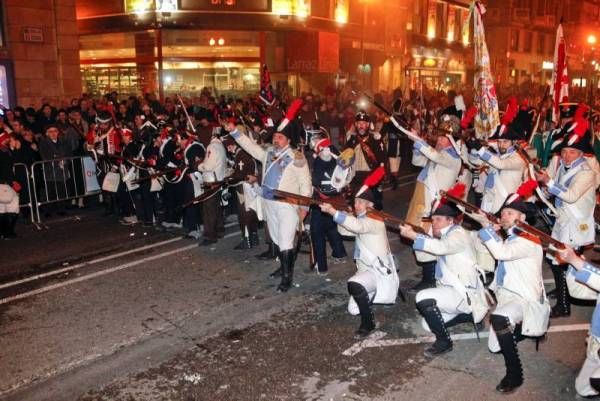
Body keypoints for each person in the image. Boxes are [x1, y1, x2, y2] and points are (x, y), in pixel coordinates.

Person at [399, 183, 487, 357]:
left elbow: (442, 248)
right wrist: (420, 236)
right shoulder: (445, 236)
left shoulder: (458, 234)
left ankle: (444, 342)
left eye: (439, 219)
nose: (434, 223)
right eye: (433, 220)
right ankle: (469, 316)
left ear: (450, 220)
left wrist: (415, 236)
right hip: (451, 291)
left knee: (423, 298)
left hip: (463, 293)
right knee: (426, 324)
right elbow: (425, 257)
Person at [478, 180, 548, 393]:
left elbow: (502, 254)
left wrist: (485, 227)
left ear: (522, 218)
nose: (504, 216)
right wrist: (491, 229)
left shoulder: (528, 238)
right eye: (504, 213)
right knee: (494, 346)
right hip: (508, 296)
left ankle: (514, 374)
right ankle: (521, 328)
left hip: (524, 297)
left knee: (498, 319)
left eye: (510, 213)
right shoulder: (512, 236)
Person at [228, 116, 312, 293]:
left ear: (288, 140)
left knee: (285, 241)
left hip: (287, 206)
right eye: (275, 136)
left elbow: (306, 186)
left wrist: (304, 208)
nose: (276, 139)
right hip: (269, 202)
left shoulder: (297, 158)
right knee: (275, 238)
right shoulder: (268, 153)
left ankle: (287, 278)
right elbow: (250, 147)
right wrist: (234, 132)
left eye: (280, 137)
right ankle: (283, 267)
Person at [535, 104, 598, 318]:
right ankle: (565, 298)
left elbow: (570, 195)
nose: (567, 156)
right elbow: (557, 190)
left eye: (572, 152)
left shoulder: (587, 172)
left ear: (581, 153)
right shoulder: (564, 166)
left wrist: (550, 183)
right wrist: (545, 184)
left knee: (564, 262)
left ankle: (567, 302)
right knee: (556, 260)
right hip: (563, 221)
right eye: (564, 152)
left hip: (576, 224)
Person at [320, 184, 399, 338]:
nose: (356, 205)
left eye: (361, 202)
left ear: (371, 206)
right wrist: (343, 213)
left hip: (378, 271)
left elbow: (359, 227)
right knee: (353, 310)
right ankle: (374, 291)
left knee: (354, 284)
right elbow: (345, 230)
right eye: (355, 201)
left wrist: (333, 211)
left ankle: (368, 323)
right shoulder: (362, 218)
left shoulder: (374, 218)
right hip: (367, 271)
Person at [404, 114, 462, 292]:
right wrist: (417, 145)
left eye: (444, 137)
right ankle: (429, 277)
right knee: (420, 236)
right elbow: (417, 160)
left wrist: (417, 139)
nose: (439, 139)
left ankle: (432, 278)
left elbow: (434, 156)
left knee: (430, 241)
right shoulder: (438, 153)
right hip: (422, 198)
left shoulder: (453, 157)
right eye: (440, 136)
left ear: (452, 140)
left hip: (436, 205)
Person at [466, 97, 527, 215]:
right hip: (488, 202)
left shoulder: (518, 159)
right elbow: (474, 162)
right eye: (499, 141)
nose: (501, 145)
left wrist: (481, 149)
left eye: (505, 142)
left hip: (505, 205)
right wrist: (473, 148)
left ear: (513, 143)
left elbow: (501, 165)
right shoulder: (495, 156)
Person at [556, 246, 600, 397]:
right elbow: (579, 292)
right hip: (597, 343)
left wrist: (575, 260)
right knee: (583, 388)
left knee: (597, 380)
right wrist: (573, 266)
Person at [309, 134, 349, 274]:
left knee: (317, 231)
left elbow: (315, 181)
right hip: (335, 199)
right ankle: (339, 253)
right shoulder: (337, 159)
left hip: (323, 200)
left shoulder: (324, 161)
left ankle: (322, 266)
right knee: (331, 227)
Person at [223, 136, 260, 250]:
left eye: (229, 146)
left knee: (244, 213)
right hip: (251, 187)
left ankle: (247, 240)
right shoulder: (244, 153)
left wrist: (228, 178)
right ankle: (254, 237)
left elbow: (240, 175)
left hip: (244, 188)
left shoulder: (241, 155)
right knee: (251, 212)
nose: (228, 149)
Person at [344, 110, 386, 210]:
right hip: (355, 177)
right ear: (355, 124)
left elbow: (382, 159)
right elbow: (345, 158)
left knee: (373, 206)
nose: (361, 126)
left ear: (368, 124)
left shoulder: (375, 139)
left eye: (363, 123)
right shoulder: (352, 139)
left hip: (371, 177)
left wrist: (379, 178)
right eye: (359, 123)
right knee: (355, 205)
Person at [197, 129, 227, 246]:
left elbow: (208, 166)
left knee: (208, 209)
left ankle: (210, 235)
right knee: (216, 207)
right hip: (218, 179)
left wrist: (199, 166)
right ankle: (219, 229)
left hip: (211, 181)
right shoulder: (220, 146)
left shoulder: (212, 146)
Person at [0, 133, 21, 238]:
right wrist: (12, 181)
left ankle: (3, 233)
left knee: (2, 208)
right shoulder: (4, 151)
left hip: (3, 183)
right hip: (5, 184)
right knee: (13, 207)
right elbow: (8, 166)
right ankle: (8, 232)